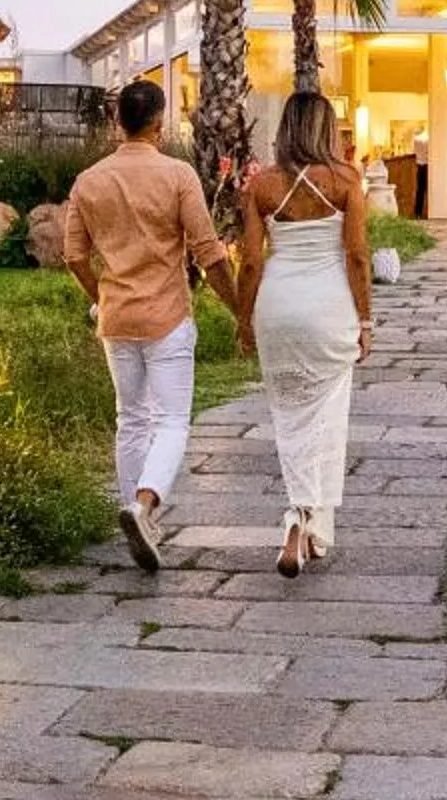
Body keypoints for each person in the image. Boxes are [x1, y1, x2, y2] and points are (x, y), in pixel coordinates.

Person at [64, 78, 234, 570]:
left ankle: (135, 515)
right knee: (173, 419)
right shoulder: (178, 176)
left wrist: (102, 296)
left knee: (130, 418)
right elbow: (209, 253)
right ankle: (144, 504)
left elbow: (74, 257)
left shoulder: (89, 181)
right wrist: (240, 309)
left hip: (117, 318)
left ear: (119, 123)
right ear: (159, 123)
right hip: (167, 316)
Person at [236, 91, 373, 577]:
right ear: (326, 129)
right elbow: (357, 257)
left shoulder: (261, 186)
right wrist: (365, 320)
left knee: (290, 420)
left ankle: (308, 526)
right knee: (326, 420)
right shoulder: (346, 180)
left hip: (277, 307)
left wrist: (243, 318)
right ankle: (299, 519)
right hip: (329, 306)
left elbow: (251, 261)